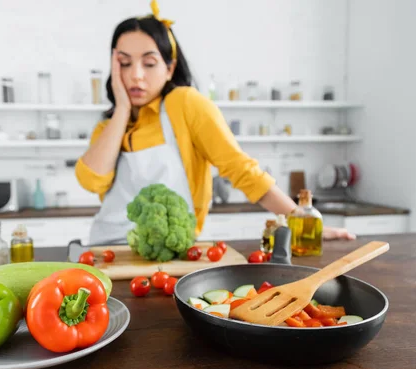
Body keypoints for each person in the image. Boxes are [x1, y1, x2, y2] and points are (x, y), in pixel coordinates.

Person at [76, 0, 356, 245]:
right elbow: (92, 182)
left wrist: (299, 221)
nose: (136, 75)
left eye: (149, 64)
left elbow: (240, 169)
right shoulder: (108, 129)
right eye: (124, 63)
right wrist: (123, 109)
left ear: (169, 68)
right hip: (106, 250)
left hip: (172, 252)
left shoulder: (185, 104)